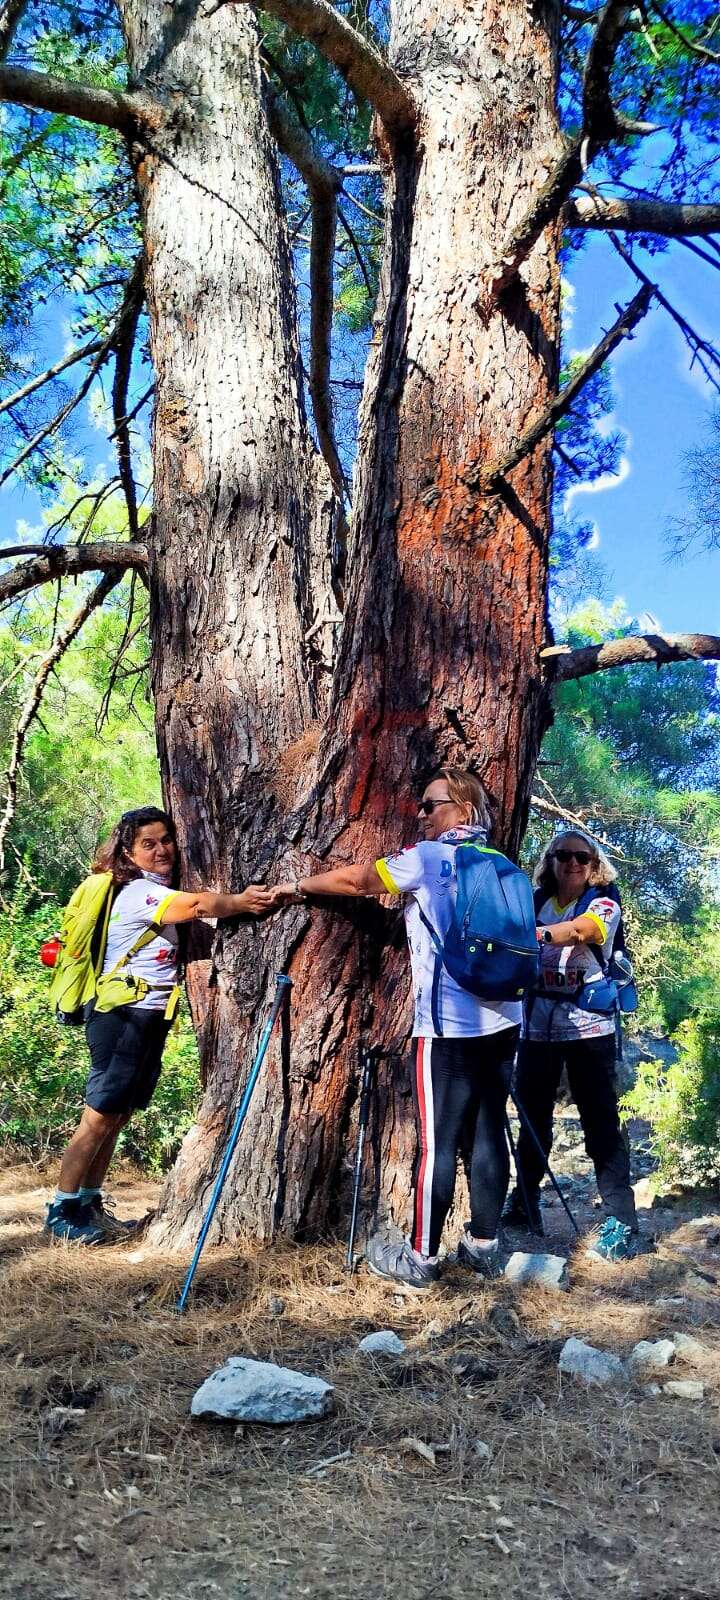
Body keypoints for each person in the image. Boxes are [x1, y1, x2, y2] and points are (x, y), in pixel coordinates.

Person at [273, 767, 522, 1289]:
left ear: (464, 809)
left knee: (438, 1142)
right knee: (488, 1129)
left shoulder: (428, 859)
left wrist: (296, 886)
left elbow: (355, 881)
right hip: (504, 1019)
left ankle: (422, 1258)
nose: (421, 814)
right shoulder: (503, 864)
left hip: (447, 1025)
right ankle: (484, 1245)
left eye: (430, 805)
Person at [45, 806, 275, 1245]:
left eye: (166, 839)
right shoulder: (136, 893)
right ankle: (61, 1208)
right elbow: (196, 906)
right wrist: (242, 901)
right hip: (121, 1015)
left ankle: (89, 1202)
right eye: (148, 844)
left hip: (147, 1014)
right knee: (98, 1115)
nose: (161, 850)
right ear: (129, 854)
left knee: (117, 1114)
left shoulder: (151, 888)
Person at [503, 826, 641, 1262]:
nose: (573, 863)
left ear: (595, 864)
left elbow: (586, 930)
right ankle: (525, 1205)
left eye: (583, 857)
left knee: (600, 1122)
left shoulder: (604, 899)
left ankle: (622, 1221)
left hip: (589, 1028)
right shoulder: (535, 900)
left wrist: (536, 936)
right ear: (551, 860)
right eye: (563, 855)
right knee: (533, 1119)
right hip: (537, 1026)